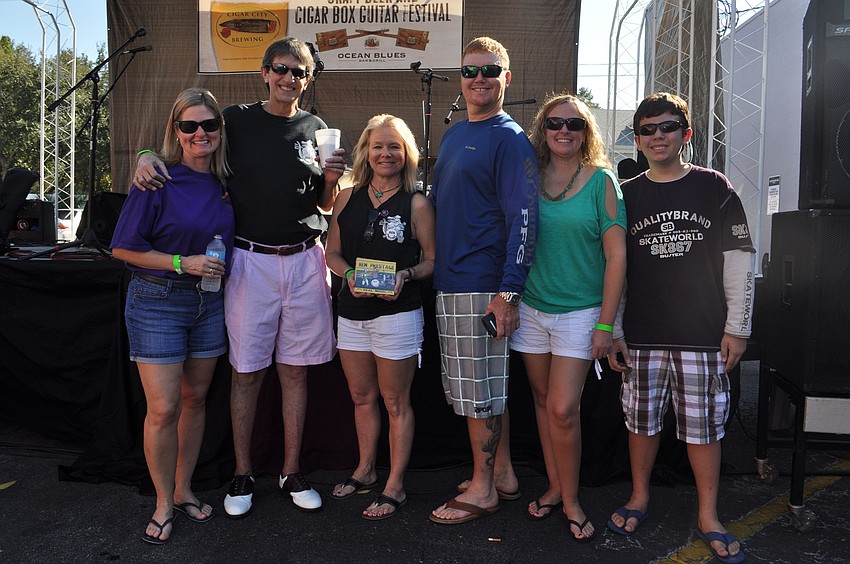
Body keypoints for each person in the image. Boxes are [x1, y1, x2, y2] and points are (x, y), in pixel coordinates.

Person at [133, 37, 346, 518]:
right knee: (246, 373)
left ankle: (291, 471)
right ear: (264, 72)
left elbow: (323, 204)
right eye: (281, 69)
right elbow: (193, 139)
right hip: (250, 260)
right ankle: (243, 472)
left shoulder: (316, 129)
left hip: (305, 259)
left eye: (299, 72)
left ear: (308, 79)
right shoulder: (235, 120)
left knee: (295, 372)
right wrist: (146, 153)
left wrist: (332, 182)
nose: (289, 78)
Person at [606, 92, 753, 564]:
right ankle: (639, 496)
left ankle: (708, 515)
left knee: (703, 429)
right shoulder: (626, 194)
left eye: (667, 127)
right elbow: (616, 270)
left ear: (686, 134)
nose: (657, 136)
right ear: (637, 139)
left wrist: (738, 327)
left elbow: (739, 261)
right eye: (647, 130)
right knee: (641, 423)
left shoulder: (714, 186)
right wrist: (615, 329)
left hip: (702, 336)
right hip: (642, 337)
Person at [111, 87, 236, 544]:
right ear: (176, 131)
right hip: (158, 300)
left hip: (210, 302)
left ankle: (184, 490)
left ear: (220, 129)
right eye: (189, 125)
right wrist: (184, 263)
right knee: (164, 409)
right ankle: (163, 502)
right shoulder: (156, 179)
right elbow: (123, 248)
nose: (200, 133)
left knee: (195, 401)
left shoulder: (227, 181)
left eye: (209, 124)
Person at [428, 37, 538, 525]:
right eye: (470, 71)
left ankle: (483, 488)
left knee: (479, 395)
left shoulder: (510, 138)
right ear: (460, 78)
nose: (479, 79)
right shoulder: (455, 135)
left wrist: (508, 293)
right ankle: (504, 475)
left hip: (483, 286)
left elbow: (525, 220)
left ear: (506, 78)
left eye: (490, 70)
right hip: (452, 282)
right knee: (486, 388)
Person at [510, 93, 626, 542]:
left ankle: (573, 500)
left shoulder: (602, 181)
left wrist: (606, 325)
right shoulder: (529, 179)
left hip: (581, 313)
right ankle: (556, 487)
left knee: (562, 409)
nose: (564, 130)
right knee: (542, 402)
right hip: (531, 308)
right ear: (543, 129)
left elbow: (617, 258)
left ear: (585, 132)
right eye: (555, 123)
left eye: (574, 124)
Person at [324, 114, 435, 520]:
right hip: (352, 312)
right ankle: (366, 469)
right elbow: (332, 254)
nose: (385, 154)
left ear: (407, 154)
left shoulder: (417, 202)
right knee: (361, 397)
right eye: (378, 146)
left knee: (394, 401)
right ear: (365, 152)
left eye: (394, 147)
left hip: (397, 314)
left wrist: (406, 275)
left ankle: (395, 485)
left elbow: (432, 261)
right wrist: (350, 275)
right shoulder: (345, 197)